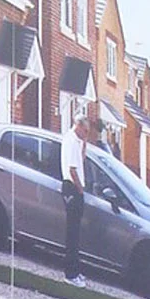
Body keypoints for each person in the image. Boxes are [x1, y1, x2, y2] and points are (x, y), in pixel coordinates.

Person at [60, 110, 91, 286]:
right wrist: (80, 190)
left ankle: (75, 270)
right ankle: (70, 275)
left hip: (74, 188)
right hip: (72, 188)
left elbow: (81, 159)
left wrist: (85, 142)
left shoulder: (76, 141)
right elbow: (72, 170)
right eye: (85, 131)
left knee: (76, 233)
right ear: (78, 126)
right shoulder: (71, 141)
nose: (86, 134)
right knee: (72, 233)